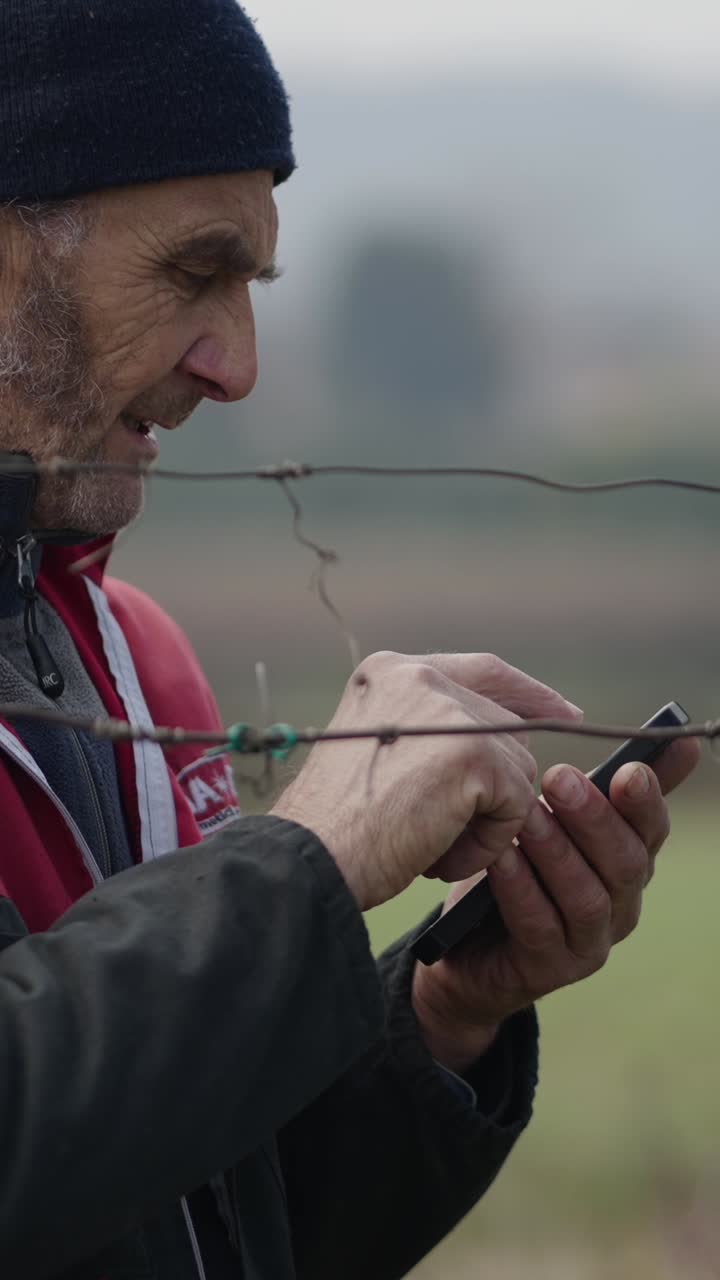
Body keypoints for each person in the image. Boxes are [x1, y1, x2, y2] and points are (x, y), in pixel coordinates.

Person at [0, 2, 700, 1278]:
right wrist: (304, 863)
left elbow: (189, 1222)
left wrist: (438, 1017)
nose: (240, 366)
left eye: (252, 285)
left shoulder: (134, 660)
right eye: (193, 271)